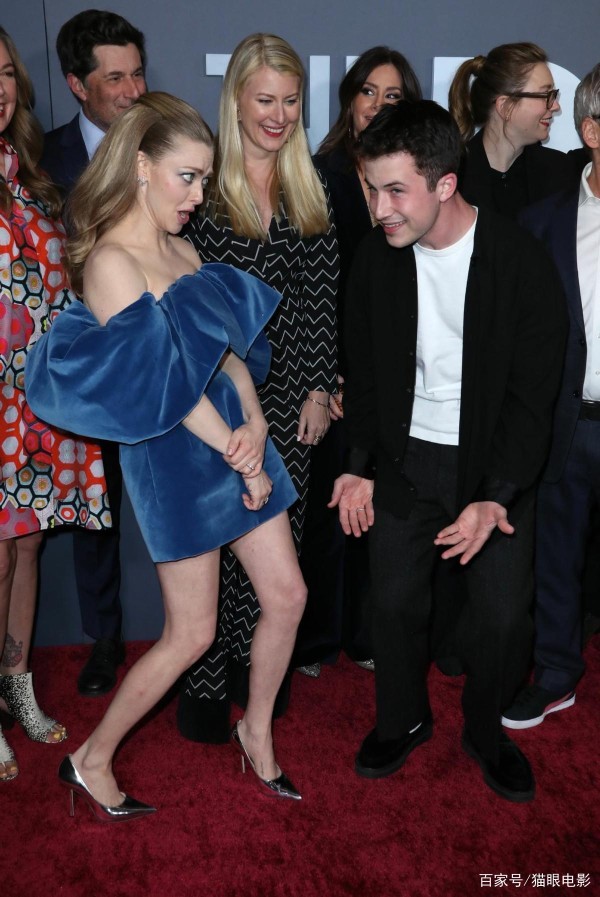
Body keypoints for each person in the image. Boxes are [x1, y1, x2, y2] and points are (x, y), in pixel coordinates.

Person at [26, 91, 307, 818]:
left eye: (205, 179)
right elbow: (165, 387)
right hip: (175, 460)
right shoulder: (111, 263)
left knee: (287, 596)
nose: (198, 195)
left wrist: (255, 422)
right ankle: (90, 759)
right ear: (142, 166)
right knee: (192, 633)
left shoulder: (184, 249)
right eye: (188, 177)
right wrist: (242, 455)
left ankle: (256, 730)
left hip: (236, 438)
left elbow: (226, 356)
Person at [329, 100, 566, 802]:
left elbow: (533, 396)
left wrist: (496, 495)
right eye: (372, 189)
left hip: (491, 464)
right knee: (393, 604)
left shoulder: (519, 261)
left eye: (396, 190)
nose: (380, 209)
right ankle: (402, 720)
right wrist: (359, 466)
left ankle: (487, 732)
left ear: (445, 183)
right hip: (405, 458)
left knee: (501, 617)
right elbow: (363, 374)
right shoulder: (376, 258)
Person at [178, 33, 338, 740]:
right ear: (236, 100)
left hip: (294, 397)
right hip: (217, 398)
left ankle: (256, 678)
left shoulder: (311, 184)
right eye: (265, 100)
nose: (278, 115)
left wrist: (318, 390)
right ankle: (206, 689)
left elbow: (322, 297)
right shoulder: (204, 189)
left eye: (291, 101)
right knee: (216, 546)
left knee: (278, 549)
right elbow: (188, 312)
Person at [0, 26, 110, 781]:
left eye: (7, 73)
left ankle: (17, 683)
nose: (1, 88)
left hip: (36, 401)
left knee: (30, 544)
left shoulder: (29, 178)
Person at [298, 47, 422, 674]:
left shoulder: (415, 179)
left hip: (394, 365)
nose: (377, 104)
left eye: (392, 95)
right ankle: (317, 638)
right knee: (329, 506)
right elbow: (312, 287)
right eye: (368, 91)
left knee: (383, 504)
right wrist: (331, 374)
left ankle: (368, 635)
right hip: (334, 366)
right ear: (350, 99)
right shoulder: (319, 175)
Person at [41, 9, 147, 699]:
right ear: (77, 85)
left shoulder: (165, 141)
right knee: (96, 513)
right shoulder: (43, 161)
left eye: (138, 73)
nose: (133, 90)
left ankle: (202, 637)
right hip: (88, 365)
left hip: (159, 356)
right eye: (115, 78)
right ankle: (104, 639)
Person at [502, 65, 600, 729]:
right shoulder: (543, 223)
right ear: (592, 131)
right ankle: (557, 672)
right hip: (569, 423)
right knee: (556, 557)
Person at [449, 42, 570, 219]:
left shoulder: (560, 171)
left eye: (553, 94)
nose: (556, 106)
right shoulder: (453, 175)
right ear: (505, 106)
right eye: (546, 95)